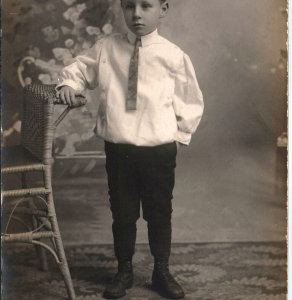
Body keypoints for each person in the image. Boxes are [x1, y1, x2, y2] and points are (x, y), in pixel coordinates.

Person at [56, 0, 204, 298]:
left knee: (159, 213)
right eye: (128, 6)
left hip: (158, 150)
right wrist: (68, 85)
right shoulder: (106, 48)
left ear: (163, 9)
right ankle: (123, 271)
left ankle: (161, 271)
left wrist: (175, 134)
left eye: (146, 6)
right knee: (123, 213)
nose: (136, 14)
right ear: (121, 10)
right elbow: (79, 69)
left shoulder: (173, 56)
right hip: (119, 148)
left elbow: (190, 98)